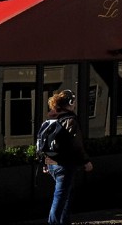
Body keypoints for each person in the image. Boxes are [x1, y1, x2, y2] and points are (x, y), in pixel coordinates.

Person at [37, 89, 93, 225]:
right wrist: (86, 161)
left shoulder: (50, 119)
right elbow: (76, 145)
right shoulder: (70, 120)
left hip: (51, 164)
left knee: (66, 194)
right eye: (74, 102)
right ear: (70, 103)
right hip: (65, 164)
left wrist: (44, 163)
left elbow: (41, 143)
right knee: (60, 197)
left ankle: (64, 222)